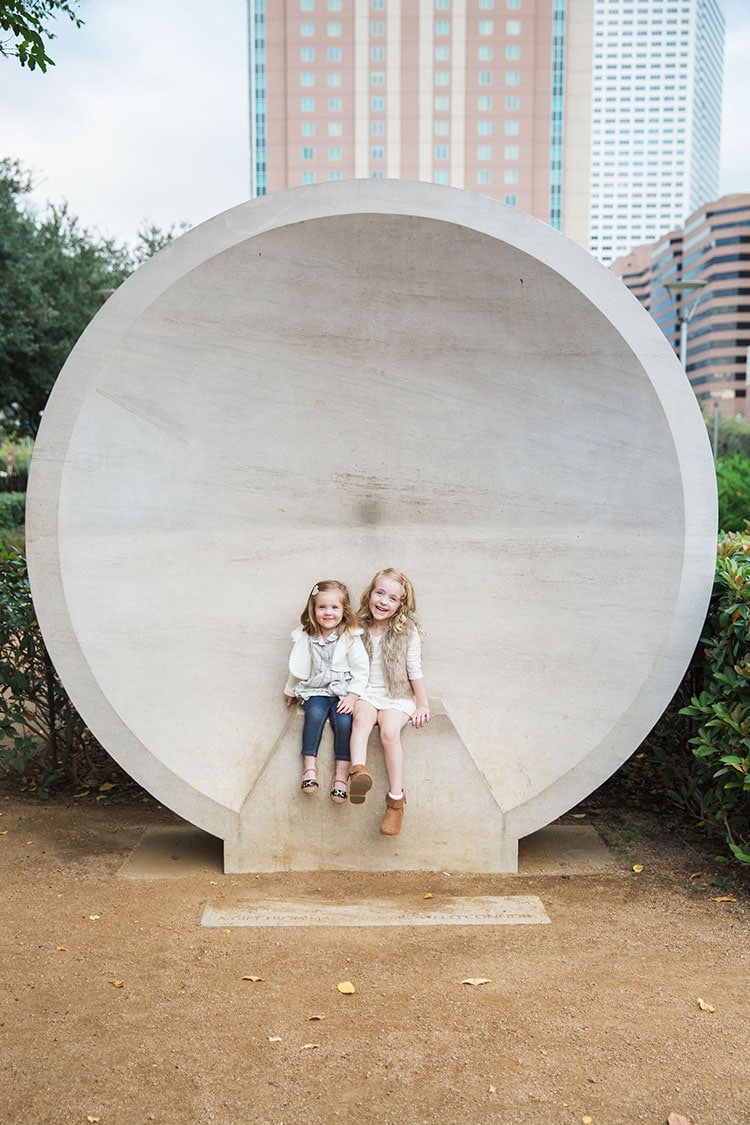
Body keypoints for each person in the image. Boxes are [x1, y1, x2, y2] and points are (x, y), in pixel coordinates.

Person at [348, 568, 429, 836]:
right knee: (361, 719)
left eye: (392, 598)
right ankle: (358, 771)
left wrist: (422, 704)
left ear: (401, 605)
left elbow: (414, 669)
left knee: (389, 732)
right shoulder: (356, 626)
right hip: (366, 692)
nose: (383, 601)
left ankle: (395, 801)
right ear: (370, 594)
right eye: (379, 593)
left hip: (397, 697)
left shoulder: (407, 632)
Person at [284, 580, 369, 803]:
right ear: (313, 609)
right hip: (316, 689)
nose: (328, 613)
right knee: (313, 715)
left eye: (334, 608)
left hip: (342, 692)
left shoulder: (350, 637)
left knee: (344, 723)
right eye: (322, 607)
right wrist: (290, 689)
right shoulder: (306, 636)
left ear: (344, 610)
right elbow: (298, 666)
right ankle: (309, 769)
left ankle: (341, 776)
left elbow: (362, 670)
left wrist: (352, 696)